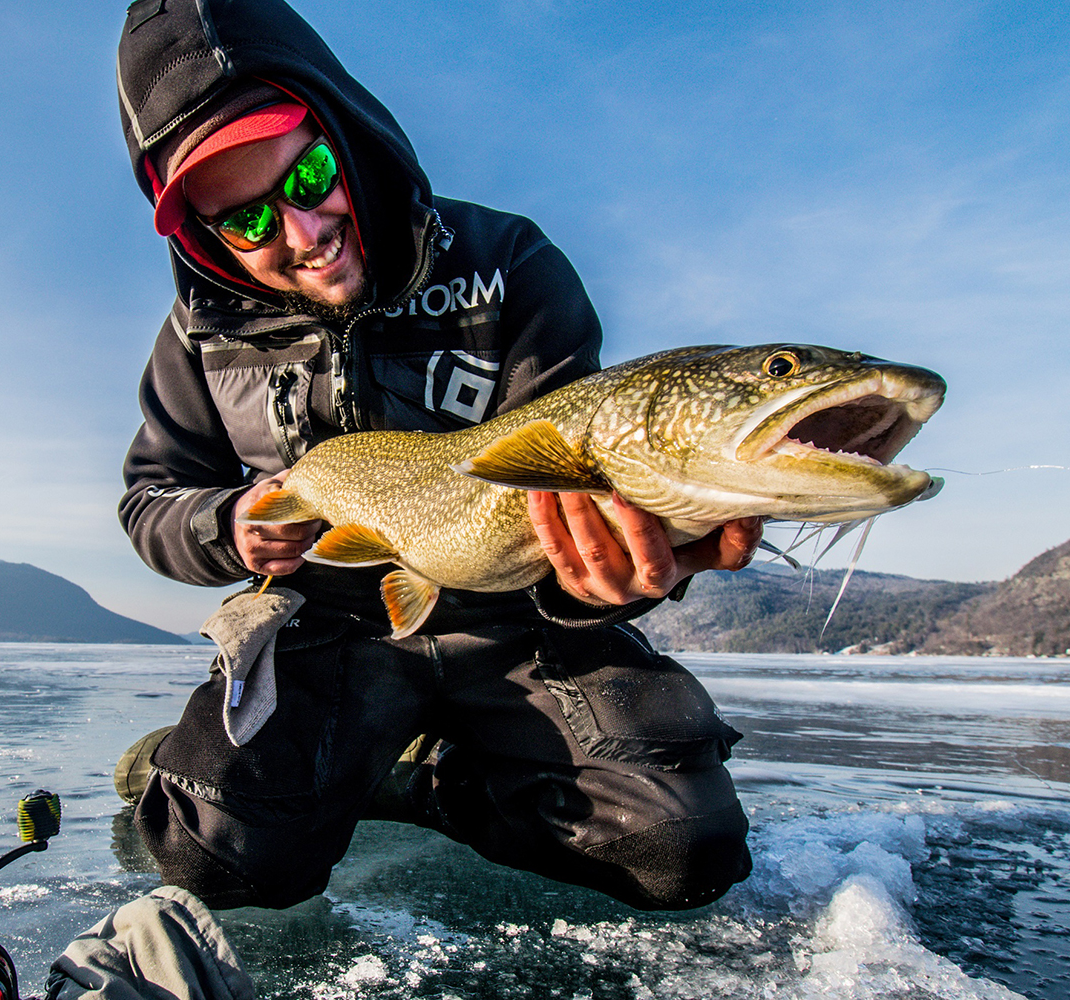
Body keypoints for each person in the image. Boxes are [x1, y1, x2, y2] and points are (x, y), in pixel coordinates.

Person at [113, 0, 763, 913]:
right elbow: (151, 499)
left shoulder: (507, 261)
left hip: (515, 626)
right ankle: (311, 767)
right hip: (326, 631)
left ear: (342, 128)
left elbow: (577, 497)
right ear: (206, 238)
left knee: (679, 849)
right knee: (215, 854)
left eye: (310, 177)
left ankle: (426, 778)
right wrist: (225, 526)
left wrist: (614, 577)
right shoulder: (198, 335)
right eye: (248, 223)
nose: (301, 234)